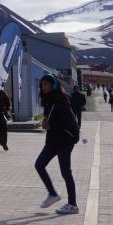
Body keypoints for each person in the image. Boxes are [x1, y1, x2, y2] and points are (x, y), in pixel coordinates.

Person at [35, 74, 80, 214]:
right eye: (42, 85)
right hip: (53, 140)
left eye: (46, 84)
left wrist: (50, 124)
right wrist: (46, 123)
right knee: (39, 164)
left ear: (53, 85)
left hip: (65, 140)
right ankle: (53, 194)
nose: (43, 87)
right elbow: (49, 119)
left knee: (65, 172)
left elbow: (67, 121)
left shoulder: (61, 99)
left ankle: (72, 204)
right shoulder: (48, 100)